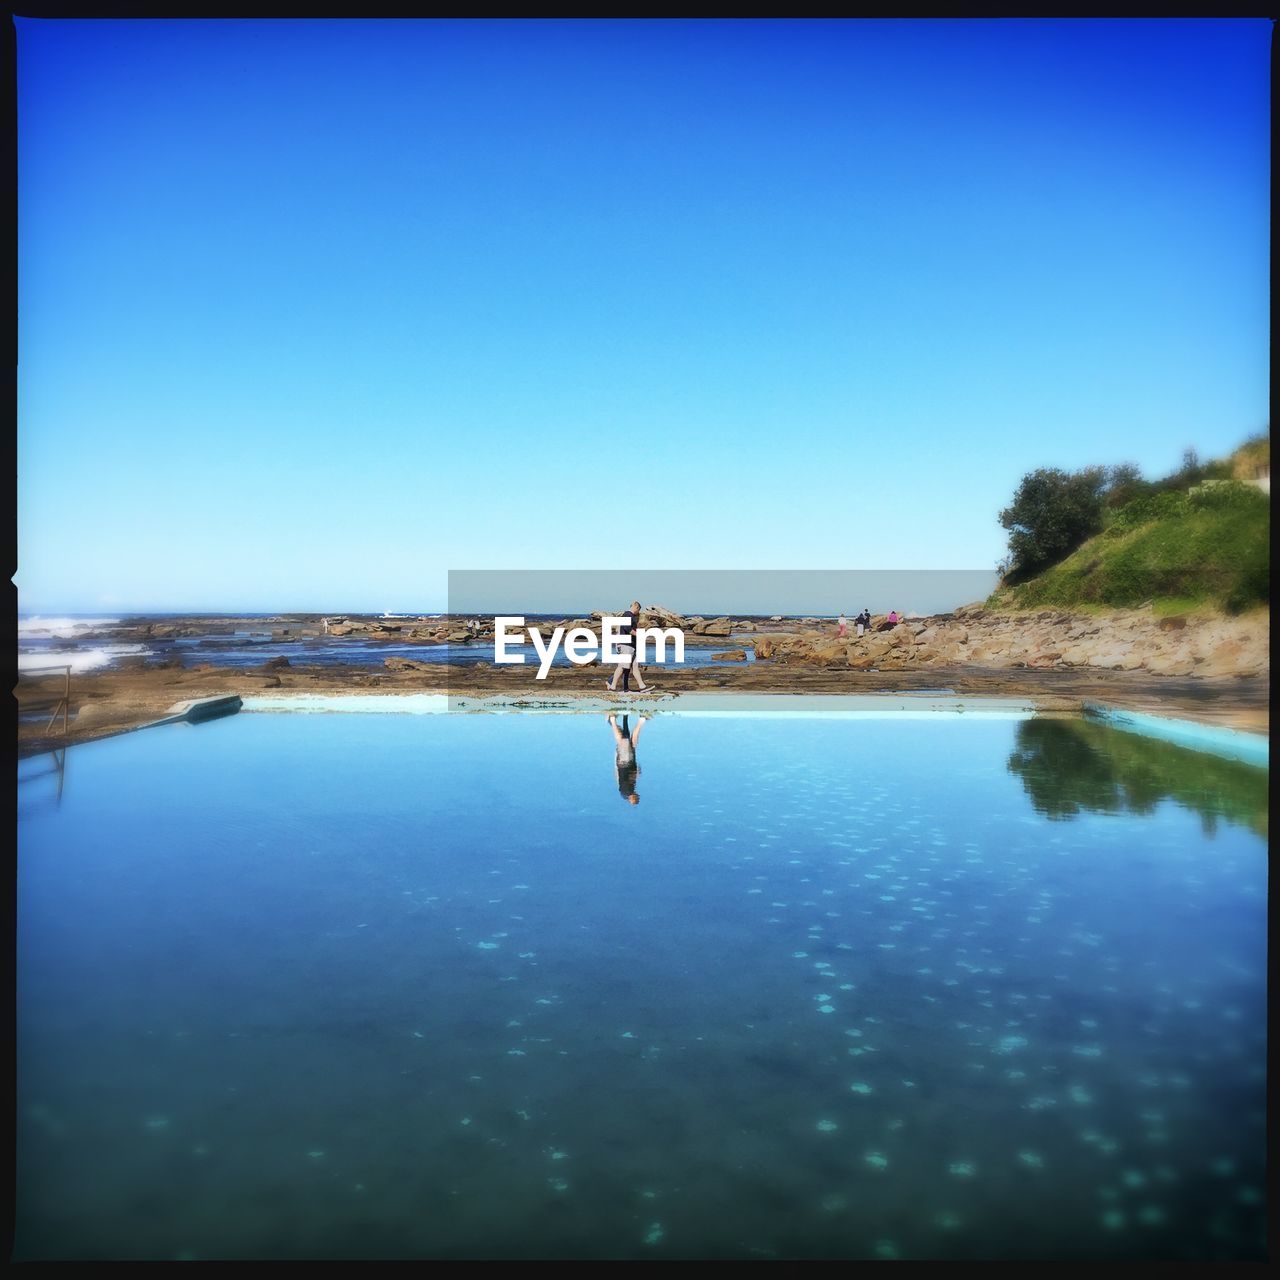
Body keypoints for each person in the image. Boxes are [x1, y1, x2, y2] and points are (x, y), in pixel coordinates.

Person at [606, 600, 654, 693]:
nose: (638, 613)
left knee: (634, 667)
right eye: (638, 610)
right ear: (636, 607)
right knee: (622, 667)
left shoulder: (630, 616)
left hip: (631, 646)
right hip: (625, 645)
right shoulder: (628, 615)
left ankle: (642, 687)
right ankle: (612, 686)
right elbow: (628, 629)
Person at [609, 712, 646, 804]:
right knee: (632, 742)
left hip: (625, 762)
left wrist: (637, 774)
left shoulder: (628, 790)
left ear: (633, 799)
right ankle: (639, 720)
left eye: (637, 796)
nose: (637, 794)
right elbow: (618, 778)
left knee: (624, 740)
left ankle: (612, 720)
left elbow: (630, 777)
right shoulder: (623, 793)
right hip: (623, 763)